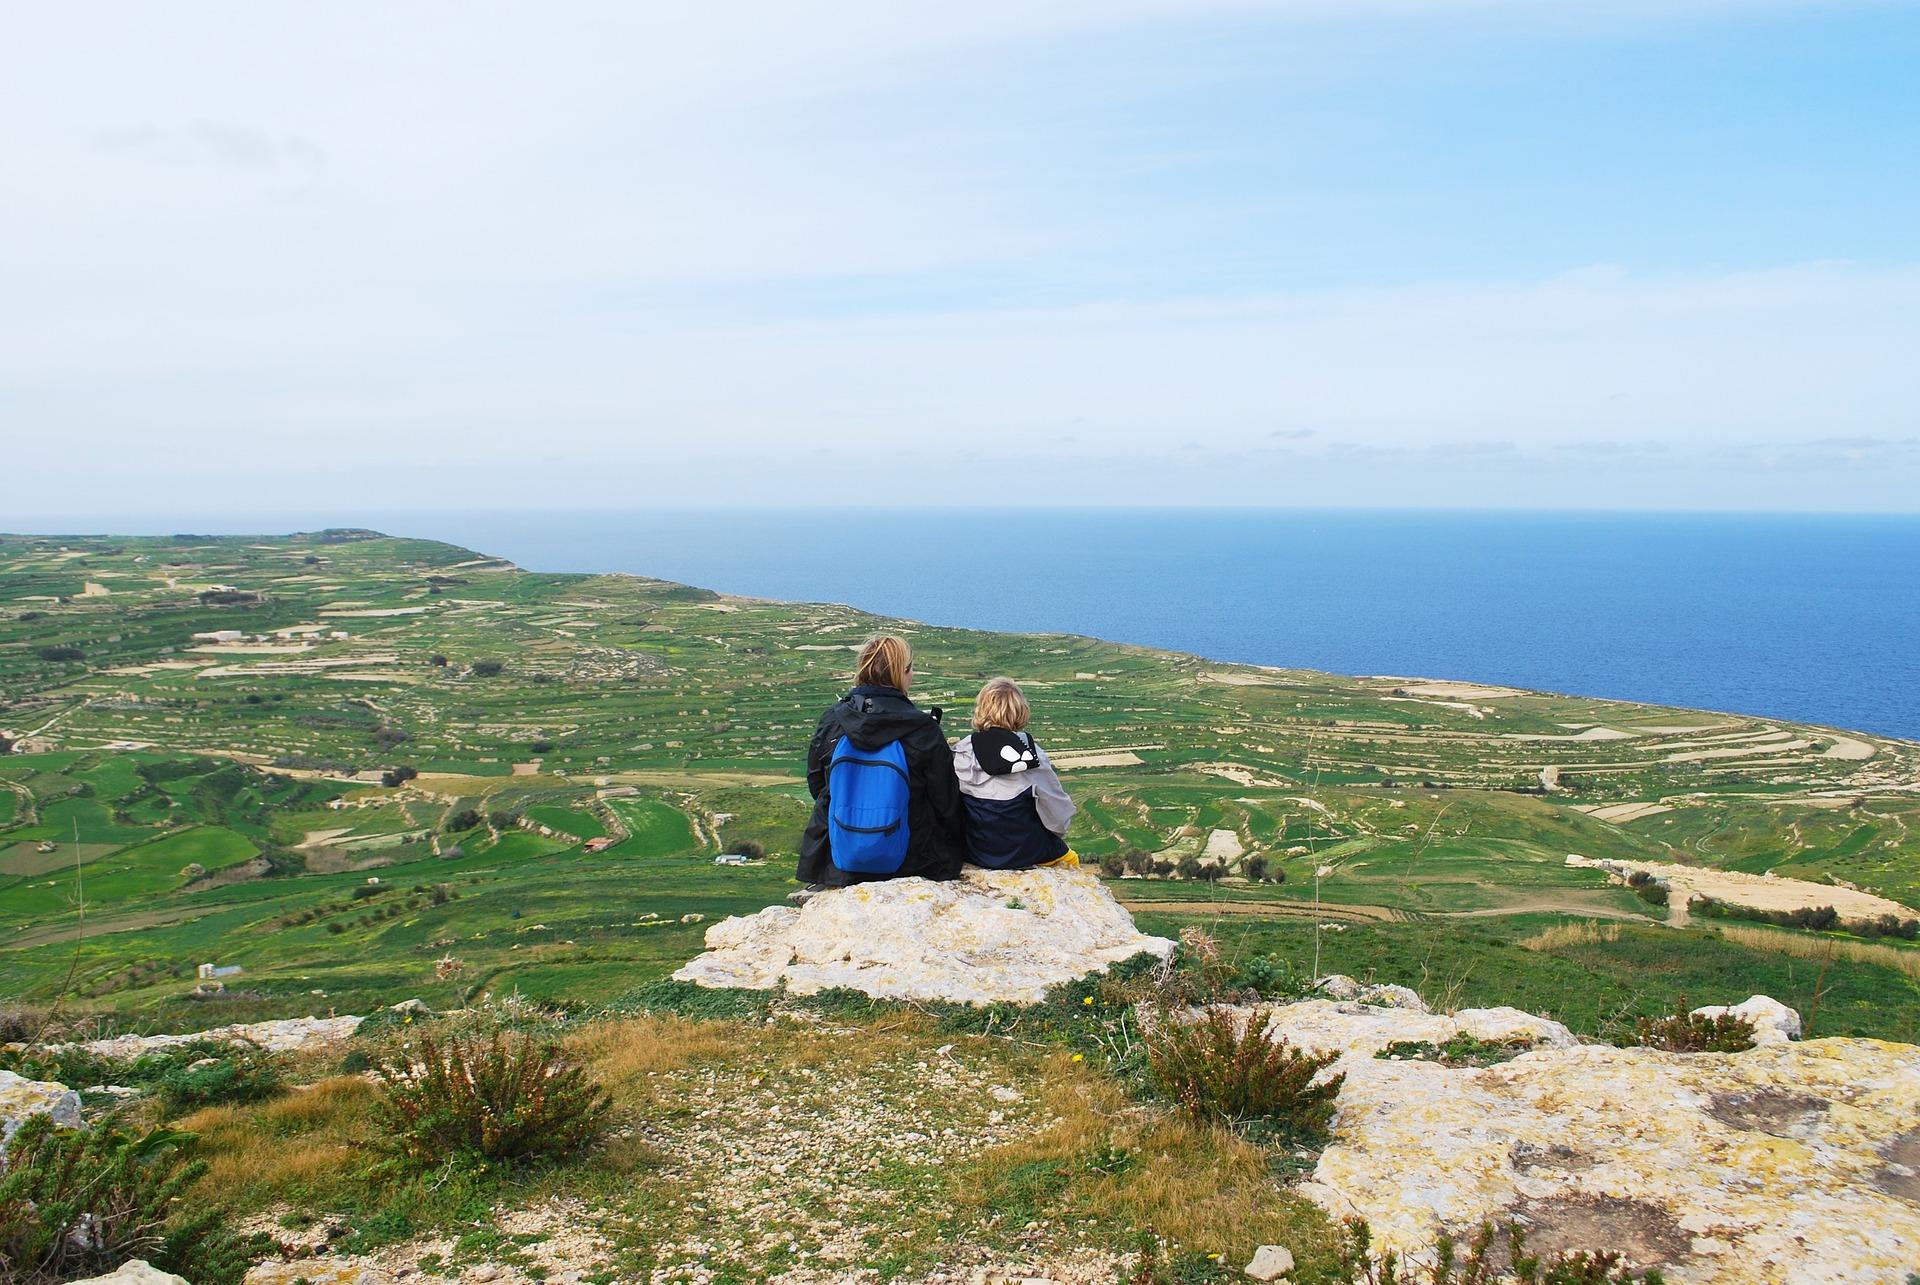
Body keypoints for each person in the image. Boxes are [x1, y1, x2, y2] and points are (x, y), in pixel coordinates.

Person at [796, 633, 966, 887]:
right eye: (910, 670)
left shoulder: (834, 719)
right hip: (912, 861)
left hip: (838, 862)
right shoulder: (922, 729)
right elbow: (946, 802)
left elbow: (816, 784)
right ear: (903, 673)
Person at [950, 677, 1078, 870]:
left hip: (974, 850)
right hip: (1024, 851)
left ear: (981, 710)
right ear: (1021, 712)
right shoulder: (1032, 754)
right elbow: (1058, 817)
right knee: (1071, 860)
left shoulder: (962, 751)